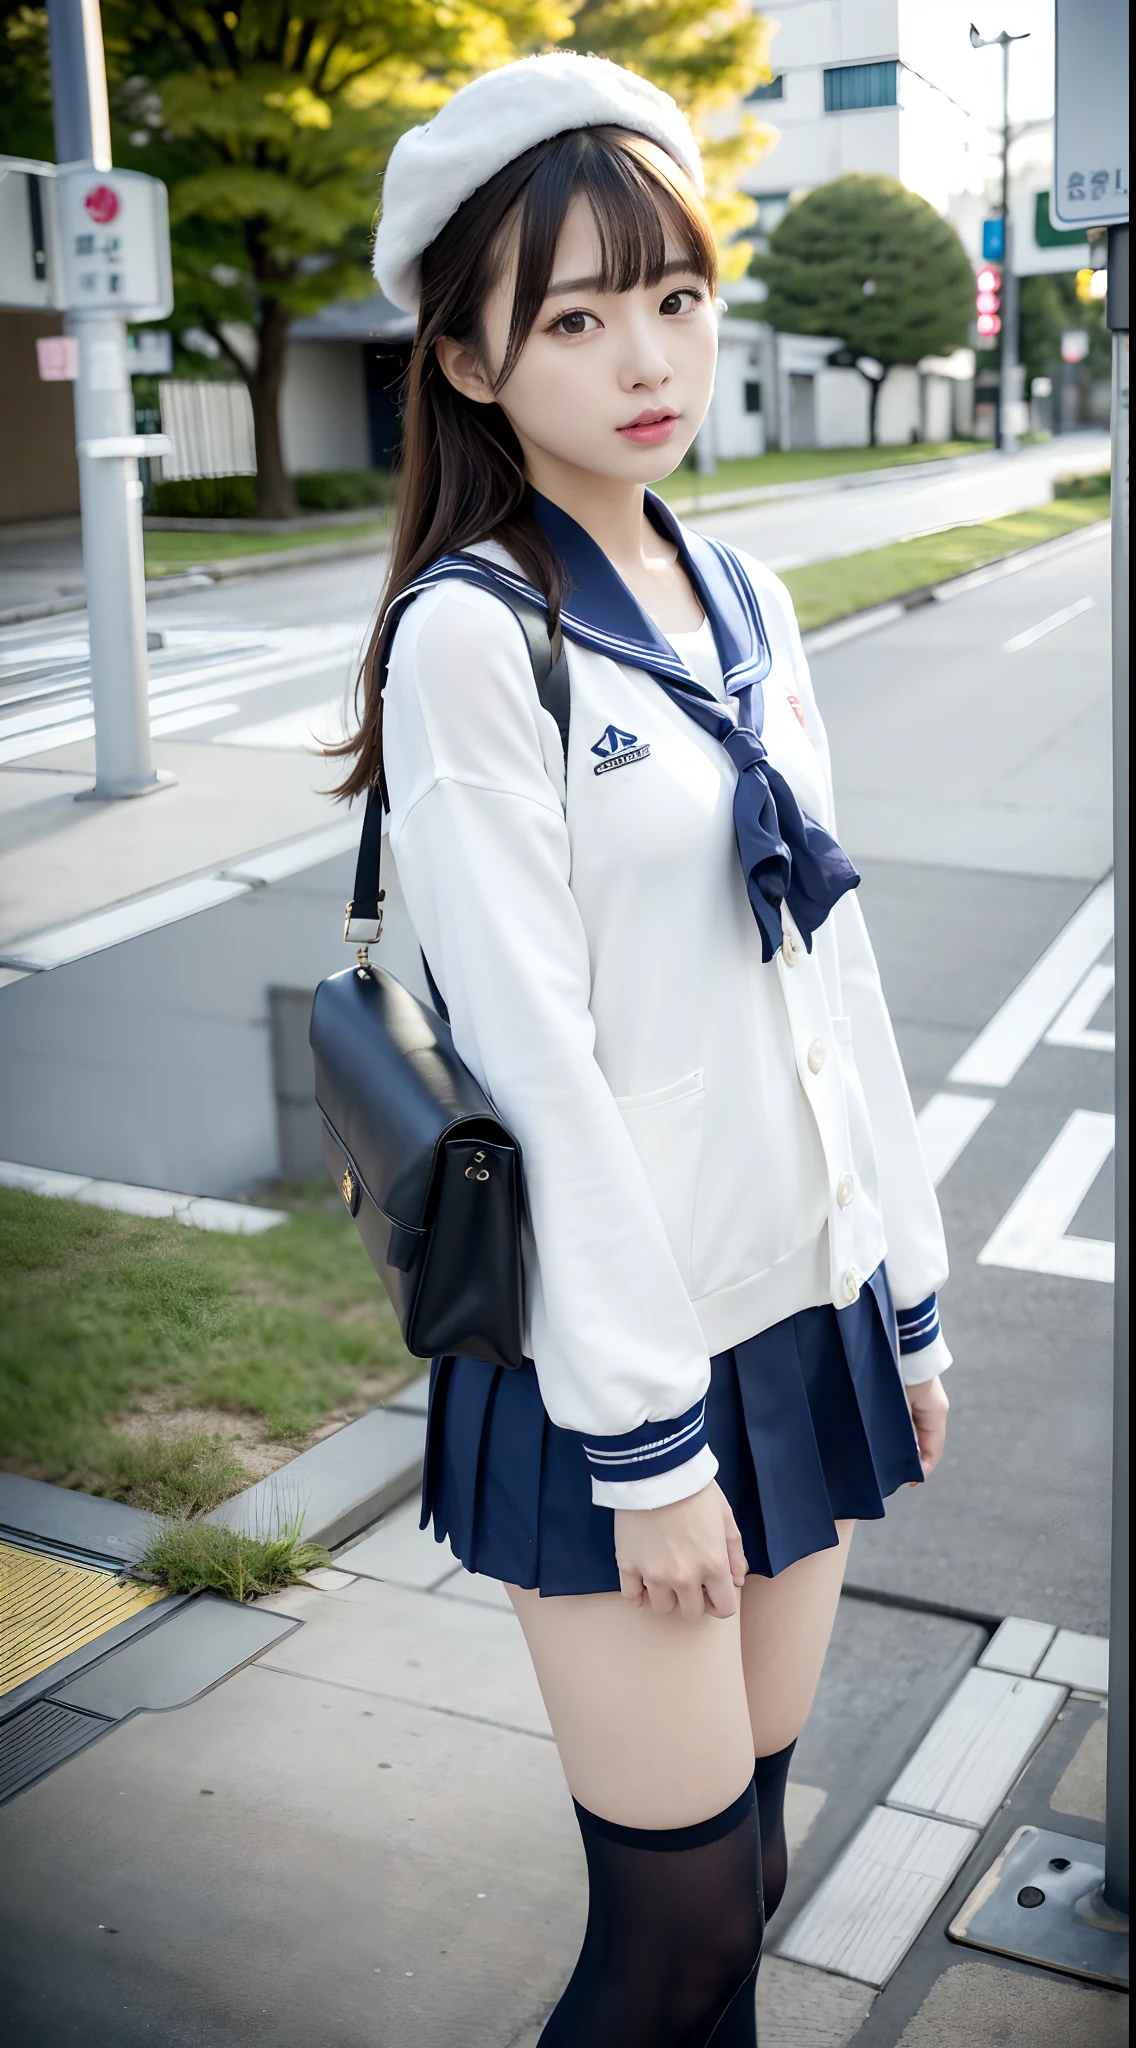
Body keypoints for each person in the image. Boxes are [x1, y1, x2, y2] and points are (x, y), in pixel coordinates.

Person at [335, 53, 952, 2047]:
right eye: (575, 319)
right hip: (628, 1368)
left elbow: (828, 978)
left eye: (672, 298)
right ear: (464, 358)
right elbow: (532, 1063)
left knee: (755, 1872)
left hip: (801, 1302)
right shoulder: (471, 636)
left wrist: (909, 1303)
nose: (644, 359)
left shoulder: (745, 588)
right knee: (672, 1942)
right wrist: (649, 1445)